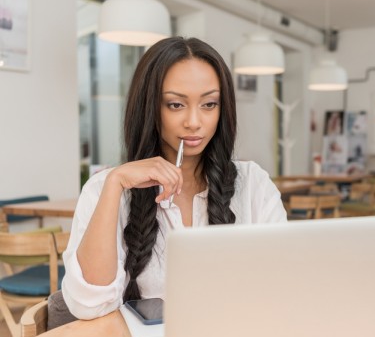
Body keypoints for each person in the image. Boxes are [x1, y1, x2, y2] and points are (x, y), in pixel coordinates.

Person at [62, 37, 287, 320]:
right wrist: (116, 182)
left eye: (209, 104)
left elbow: (281, 285)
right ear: (150, 107)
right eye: (176, 105)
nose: (194, 122)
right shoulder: (105, 188)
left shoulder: (253, 183)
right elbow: (87, 305)